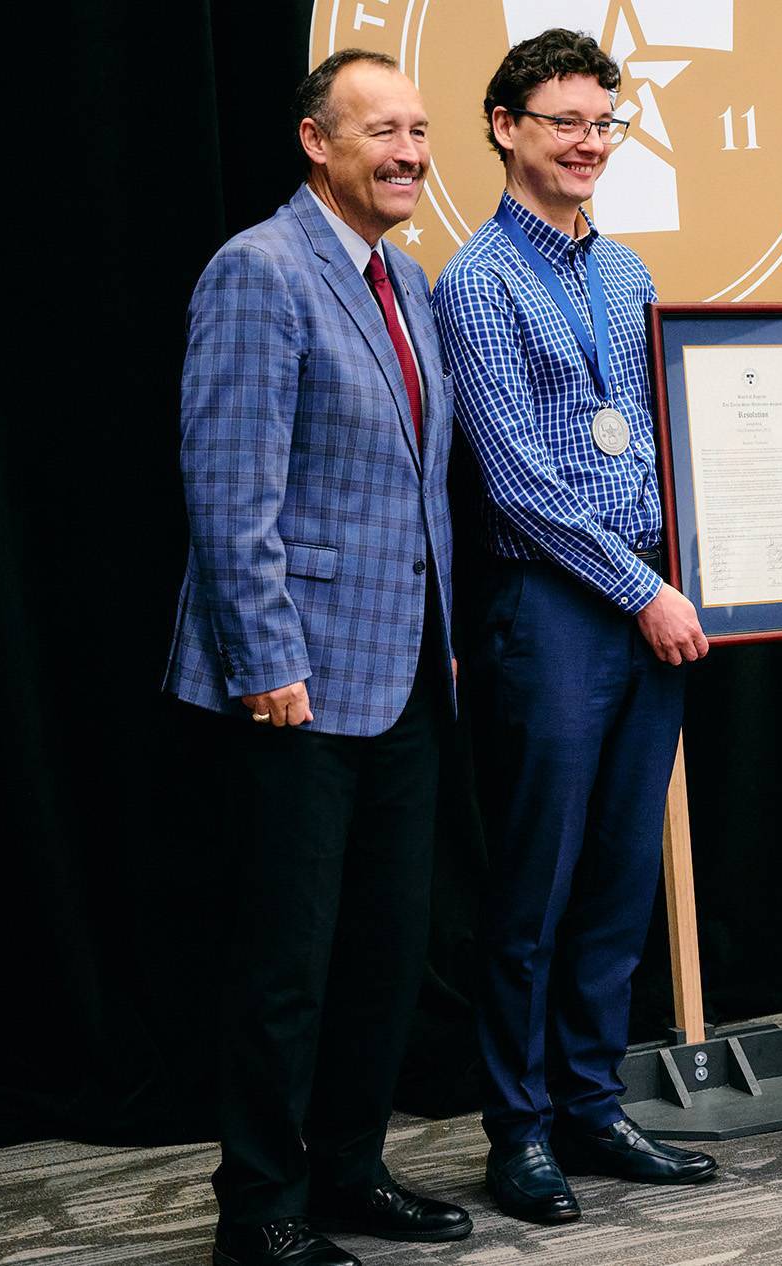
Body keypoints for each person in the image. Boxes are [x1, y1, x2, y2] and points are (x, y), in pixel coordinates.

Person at [431, 29, 782, 1225]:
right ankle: (516, 1133)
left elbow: (679, 446)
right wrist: (646, 590)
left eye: (602, 123)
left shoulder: (625, 276)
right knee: (537, 887)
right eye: (562, 120)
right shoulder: (474, 282)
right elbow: (518, 484)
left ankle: (591, 1103)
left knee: (621, 878)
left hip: (645, 608)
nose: (587, 144)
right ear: (504, 127)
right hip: (555, 612)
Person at [166, 49, 473, 1266]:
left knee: (385, 953)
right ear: (317, 143)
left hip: (405, 674)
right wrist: (264, 664)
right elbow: (228, 488)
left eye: (419, 127)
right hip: (293, 684)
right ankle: (260, 1208)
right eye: (381, 130)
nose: (408, 151)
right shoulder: (258, 270)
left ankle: (351, 1170)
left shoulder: (407, 279)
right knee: (286, 964)